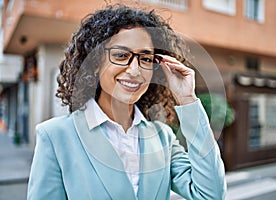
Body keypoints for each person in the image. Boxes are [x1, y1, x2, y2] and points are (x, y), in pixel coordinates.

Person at [27, 4, 226, 200]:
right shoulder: (55, 136)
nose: (134, 70)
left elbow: (211, 194)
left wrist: (187, 99)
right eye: (121, 55)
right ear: (96, 63)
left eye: (145, 59)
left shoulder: (162, 137)